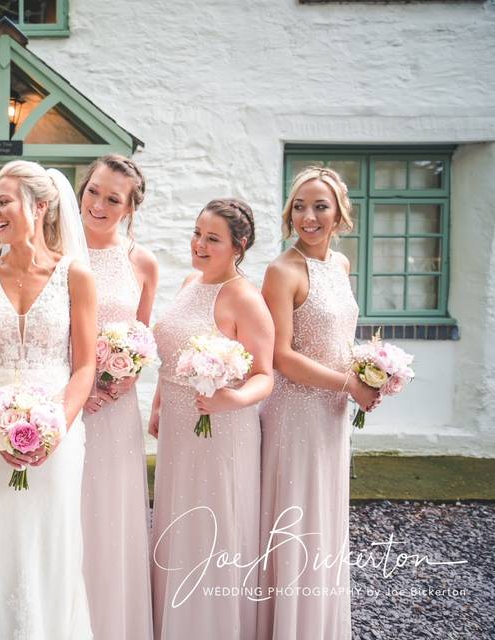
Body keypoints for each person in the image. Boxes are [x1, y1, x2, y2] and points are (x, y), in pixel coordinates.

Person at [0, 160, 97, 639]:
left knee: (52, 539)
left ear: (38, 206)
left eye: (4, 201)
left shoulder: (75, 275)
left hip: (58, 432)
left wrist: (55, 427)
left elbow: (84, 366)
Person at [257, 167, 379, 640]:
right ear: (290, 212)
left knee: (326, 513)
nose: (309, 216)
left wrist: (371, 373)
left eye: (320, 206)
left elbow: (338, 337)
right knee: (296, 515)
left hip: (331, 415)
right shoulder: (282, 271)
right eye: (301, 206)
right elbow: (281, 356)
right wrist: (348, 383)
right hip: (295, 413)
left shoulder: (341, 265)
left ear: (339, 214)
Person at [150, 199, 274, 639]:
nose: (199, 245)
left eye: (212, 239)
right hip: (179, 432)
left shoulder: (247, 299)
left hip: (222, 430)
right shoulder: (189, 282)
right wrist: (159, 403)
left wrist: (234, 400)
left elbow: (265, 375)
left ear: (238, 246)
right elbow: (172, 354)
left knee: (212, 526)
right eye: (197, 233)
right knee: (177, 522)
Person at [77, 155, 156, 640]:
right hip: (69, 403)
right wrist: (79, 382)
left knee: (114, 514)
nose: (99, 205)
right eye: (93, 191)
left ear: (129, 208)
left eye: (113, 198)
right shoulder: (56, 252)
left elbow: (142, 336)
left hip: (118, 408)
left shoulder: (141, 262)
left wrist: (129, 375)